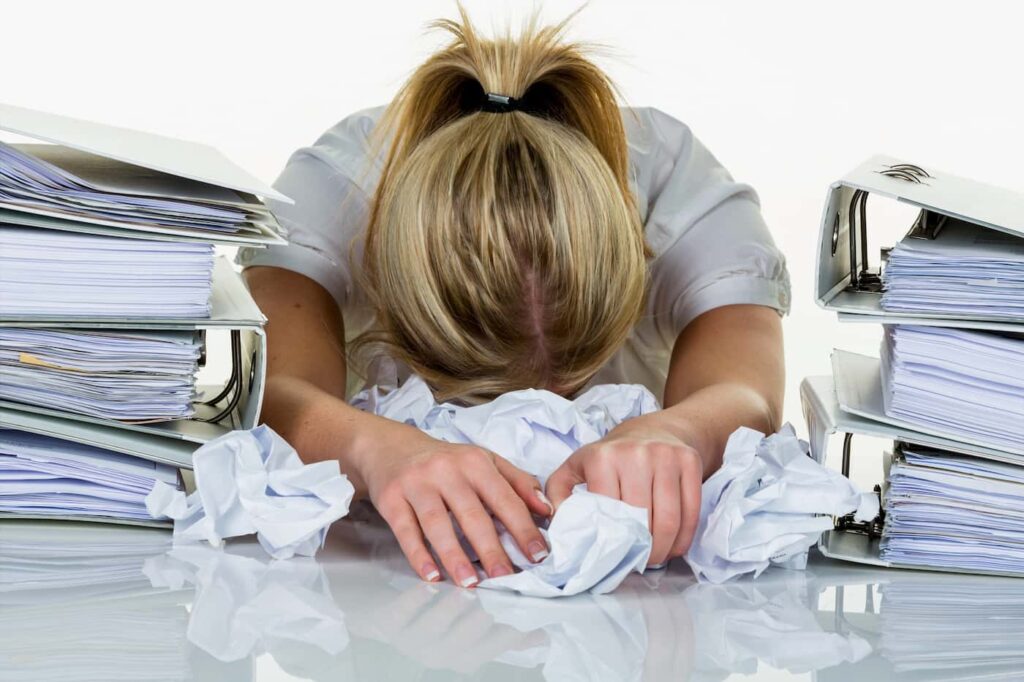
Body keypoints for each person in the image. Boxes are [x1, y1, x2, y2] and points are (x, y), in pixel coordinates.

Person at [239, 9, 789, 587]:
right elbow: (267, 389)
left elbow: (747, 392)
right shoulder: (335, 186)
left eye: (572, 381)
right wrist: (372, 447)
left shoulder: (679, 188)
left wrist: (678, 433)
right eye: (483, 396)